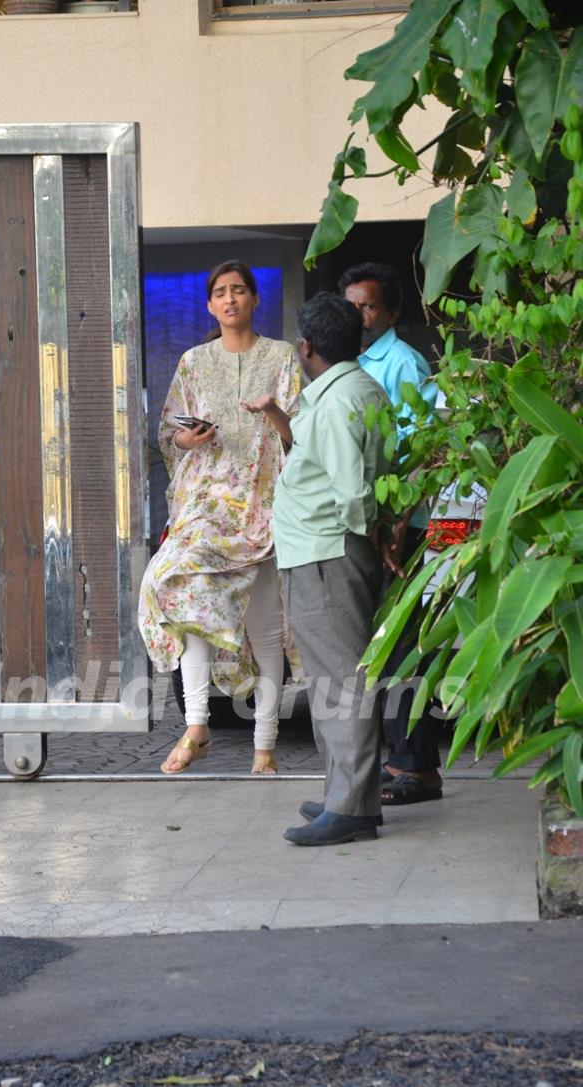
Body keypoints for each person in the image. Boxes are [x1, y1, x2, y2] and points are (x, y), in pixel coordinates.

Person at [138, 260, 301, 775]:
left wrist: (271, 412)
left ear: (254, 299)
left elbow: (300, 435)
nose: (229, 299)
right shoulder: (192, 362)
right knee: (174, 586)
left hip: (265, 504)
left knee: (265, 630)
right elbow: (168, 435)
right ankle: (197, 725)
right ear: (210, 305)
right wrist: (187, 438)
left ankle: (265, 749)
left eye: (238, 291)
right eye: (220, 293)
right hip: (206, 506)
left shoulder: (282, 357)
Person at [273, 292, 390, 846]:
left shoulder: (340, 400)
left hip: (327, 554)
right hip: (322, 552)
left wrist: (369, 536)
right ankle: (344, 791)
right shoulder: (357, 388)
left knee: (342, 682)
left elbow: (351, 493)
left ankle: (353, 808)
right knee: (331, 680)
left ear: (307, 347)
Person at [338, 262, 442, 805]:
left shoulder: (401, 363)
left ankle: (416, 768)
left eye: (370, 306)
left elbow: (426, 452)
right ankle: (398, 762)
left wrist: (400, 526)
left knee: (403, 647)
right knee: (381, 646)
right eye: (352, 306)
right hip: (376, 527)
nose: (361, 315)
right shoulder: (348, 362)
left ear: (393, 312)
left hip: (407, 528)